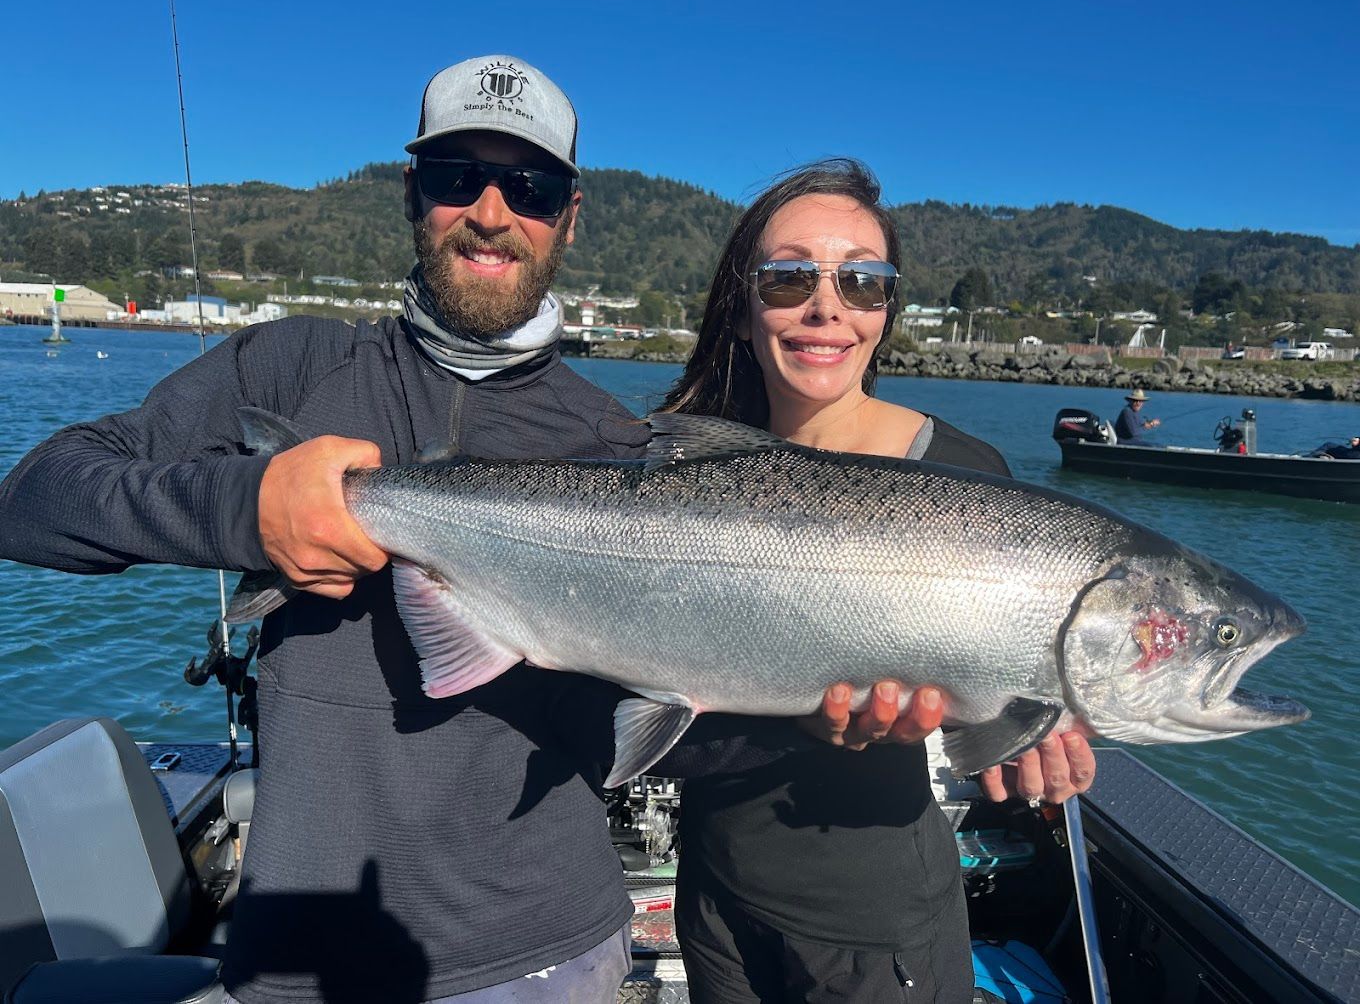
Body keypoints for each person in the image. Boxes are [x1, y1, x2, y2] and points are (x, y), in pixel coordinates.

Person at [0, 54, 652, 1004]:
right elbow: (35, 499)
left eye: (531, 186)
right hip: (298, 959)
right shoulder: (291, 366)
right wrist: (242, 507)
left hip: (550, 953)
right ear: (411, 193)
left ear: (569, 214)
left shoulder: (621, 444)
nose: (492, 212)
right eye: (455, 176)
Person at [658, 160, 1096, 1003]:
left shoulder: (968, 482)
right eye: (789, 278)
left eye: (863, 281)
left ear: (886, 310)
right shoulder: (687, 464)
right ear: (743, 308)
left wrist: (1044, 732)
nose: (827, 306)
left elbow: (1020, 679)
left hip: (873, 922)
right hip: (713, 894)